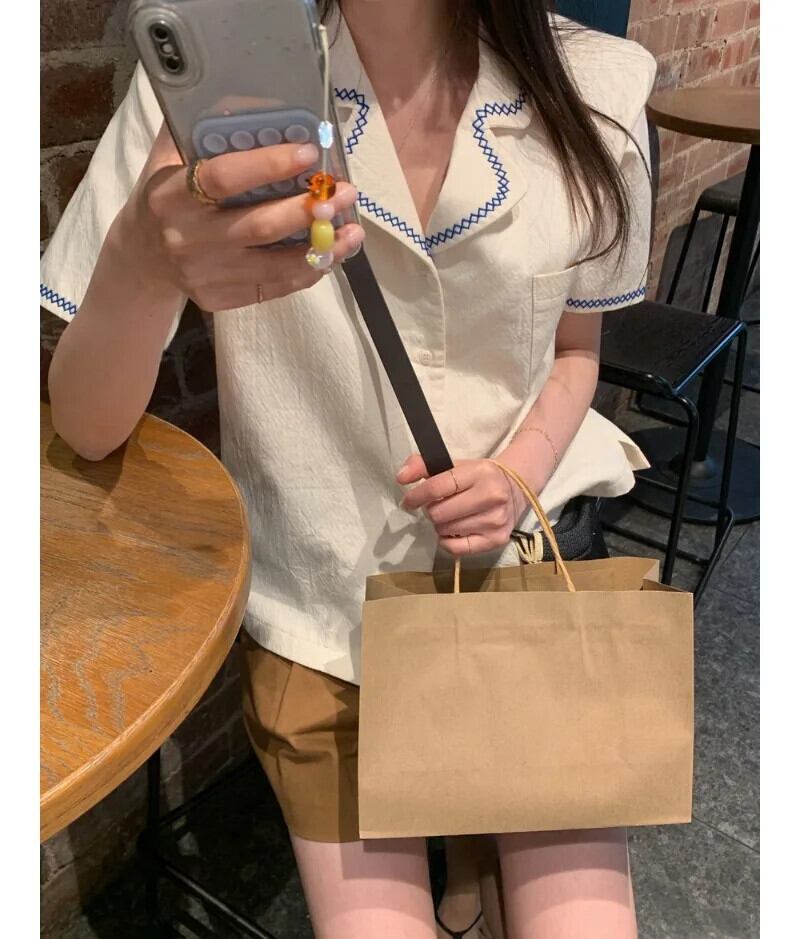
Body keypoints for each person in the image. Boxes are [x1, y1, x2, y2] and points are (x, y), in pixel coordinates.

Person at [42, 1, 656, 936]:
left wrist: (518, 476)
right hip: (326, 616)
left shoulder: (600, 90)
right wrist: (141, 260)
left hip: (520, 584)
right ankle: (469, 853)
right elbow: (87, 430)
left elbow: (577, 351)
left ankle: (471, 850)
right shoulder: (206, 88)